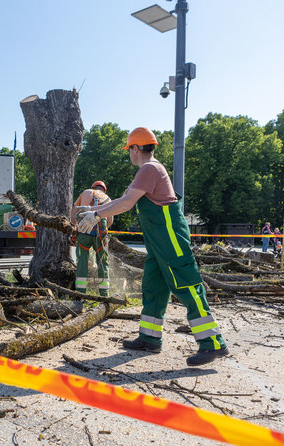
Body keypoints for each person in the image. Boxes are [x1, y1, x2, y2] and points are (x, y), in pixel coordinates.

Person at [76, 127, 228, 366]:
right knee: (154, 287)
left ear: (136, 149)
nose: (129, 154)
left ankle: (213, 343)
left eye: (129, 150)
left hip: (170, 238)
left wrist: (96, 214)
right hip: (158, 242)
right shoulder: (146, 171)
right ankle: (150, 338)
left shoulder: (149, 168)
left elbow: (126, 204)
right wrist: (94, 211)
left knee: (187, 285)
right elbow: (121, 201)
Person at [71, 181, 113, 296]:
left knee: (82, 261)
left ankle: (80, 293)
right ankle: (104, 294)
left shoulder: (87, 192)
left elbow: (74, 211)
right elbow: (110, 221)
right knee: (103, 262)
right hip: (101, 229)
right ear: (104, 190)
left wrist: (74, 228)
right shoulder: (107, 198)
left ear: (93, 187)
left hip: (84, 227)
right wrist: (102, 231)